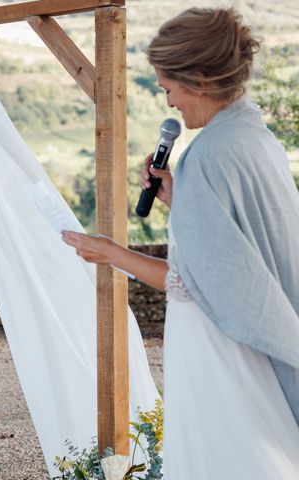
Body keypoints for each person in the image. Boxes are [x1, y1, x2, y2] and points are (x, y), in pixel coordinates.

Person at [62, 7, 299, 479]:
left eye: (169, 89)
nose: (170, 105)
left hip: (220, 346)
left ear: (200, 80)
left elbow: (193, 283)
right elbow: (240, 242)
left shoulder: (208, 156)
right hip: (247, 344)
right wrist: (182, 202)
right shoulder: (254, 138)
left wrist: (110, 253)